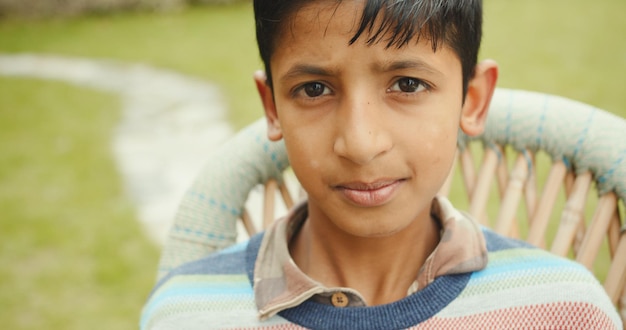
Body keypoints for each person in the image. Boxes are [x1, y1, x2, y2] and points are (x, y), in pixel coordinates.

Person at [140, 0, 623, 329]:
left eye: (408, 84)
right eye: (314, 89)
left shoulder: (564, 309)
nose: (361, 144)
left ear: (472, 99)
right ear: (272, 108)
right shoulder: (185, 313)